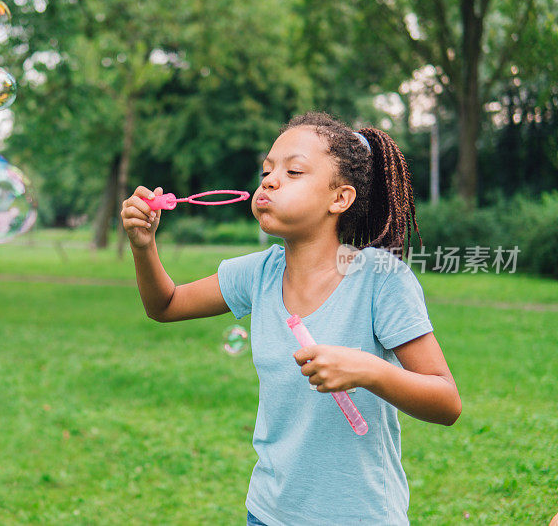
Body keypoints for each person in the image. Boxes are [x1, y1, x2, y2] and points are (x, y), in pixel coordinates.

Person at [121, 111, 462, 525]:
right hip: (269, 513)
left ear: (340, 198)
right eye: (267, 170)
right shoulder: (259, 273)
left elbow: (446, 402)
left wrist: (369, 370)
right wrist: (144, 246)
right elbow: (166, 305)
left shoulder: (380, 278)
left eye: (294, 171)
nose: (269, 180)